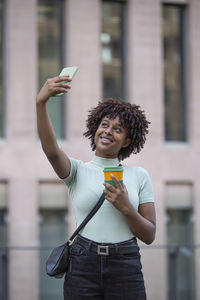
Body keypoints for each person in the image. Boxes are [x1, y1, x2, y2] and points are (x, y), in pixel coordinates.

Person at [36, 74, 156, 300]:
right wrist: (40, 103)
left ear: (127, 141)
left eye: (118, 129)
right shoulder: (76, 171)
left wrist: (126, 207)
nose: (108, 131)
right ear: (96, 129)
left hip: (125, 266)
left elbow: (149, 235)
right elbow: (51, 150)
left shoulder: (139, 175)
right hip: (83, 264)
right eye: (105, 125)